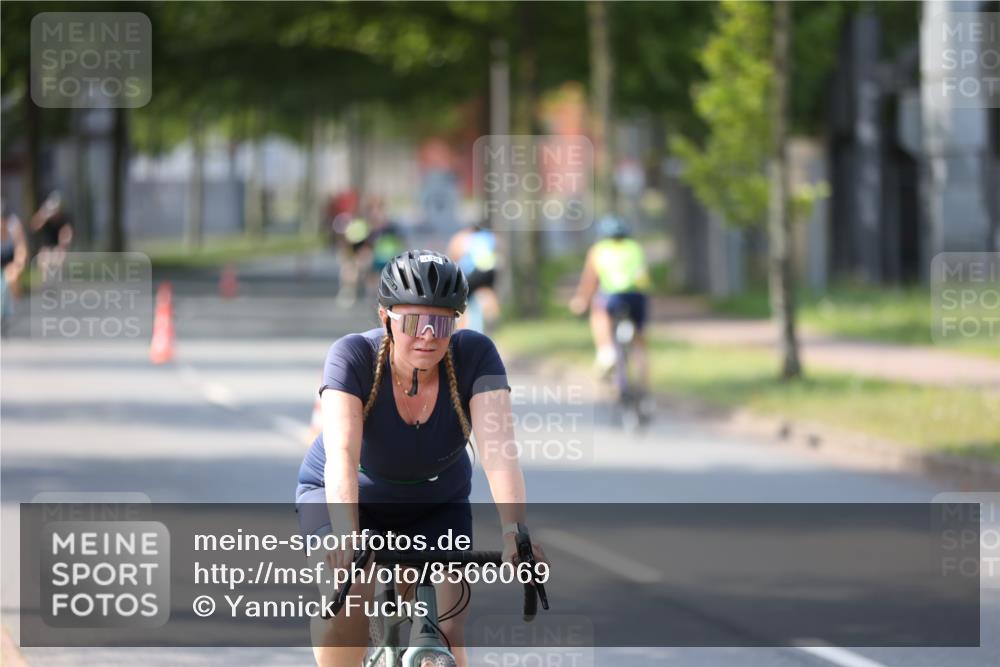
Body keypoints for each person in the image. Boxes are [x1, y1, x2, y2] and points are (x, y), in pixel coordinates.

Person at [295, 249, 545, 667]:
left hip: (436, 502)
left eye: (442, 321)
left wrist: (513, 532)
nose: (428, 334)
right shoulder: (352, 356)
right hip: (348, 495)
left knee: (447, 624)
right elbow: (340, 452)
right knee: (348, 604)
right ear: (385, 317)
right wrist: (345, 534)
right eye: (414, 321)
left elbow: (499, 450)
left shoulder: (475, 356)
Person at [569, 215, 651, 389]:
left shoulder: (598, 250)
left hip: (613, 297)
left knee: (598, 312)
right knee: (640, 342)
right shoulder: (636, 248)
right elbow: (643, 276)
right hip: (637, 297)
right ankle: (645, 387)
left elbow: (589, 281)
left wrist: (582, 300)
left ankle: (606, 351)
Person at [447, 221, 500, 332]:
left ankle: (462, 330)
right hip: (490, 270)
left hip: (474, 271)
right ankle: (492, 320)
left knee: (461, 300)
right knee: (486, 294)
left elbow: (454, 254)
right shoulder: (488, 236)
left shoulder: (464, 237)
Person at [31, 191, 73, 281]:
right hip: (46, 248)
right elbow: (34, 226)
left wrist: (62, 245)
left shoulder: (64, 219)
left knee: (60, 256)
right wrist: (43, 214)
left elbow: (67, 233)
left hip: (58, 247)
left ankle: (59, 281)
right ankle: (46, 284)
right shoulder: (45, 220)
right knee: (43, 258)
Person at [1, 202, 29, 336]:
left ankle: (11, 308)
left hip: (10, 260)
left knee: (10, 277)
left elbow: (21, 249)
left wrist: (18, 266)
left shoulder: (13, 225)